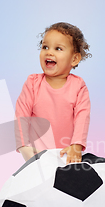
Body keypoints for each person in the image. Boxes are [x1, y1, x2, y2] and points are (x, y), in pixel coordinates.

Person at [15, 22, 92, 165]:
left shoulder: (78, 86)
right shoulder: (32, 83)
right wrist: (24, 146)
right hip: (37, 155)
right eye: (45, 47)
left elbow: (82, 117)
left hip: (67, 154)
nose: (49, 52)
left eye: (58, 48)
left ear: (74, 59)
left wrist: (76, 145)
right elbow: (21, 115)